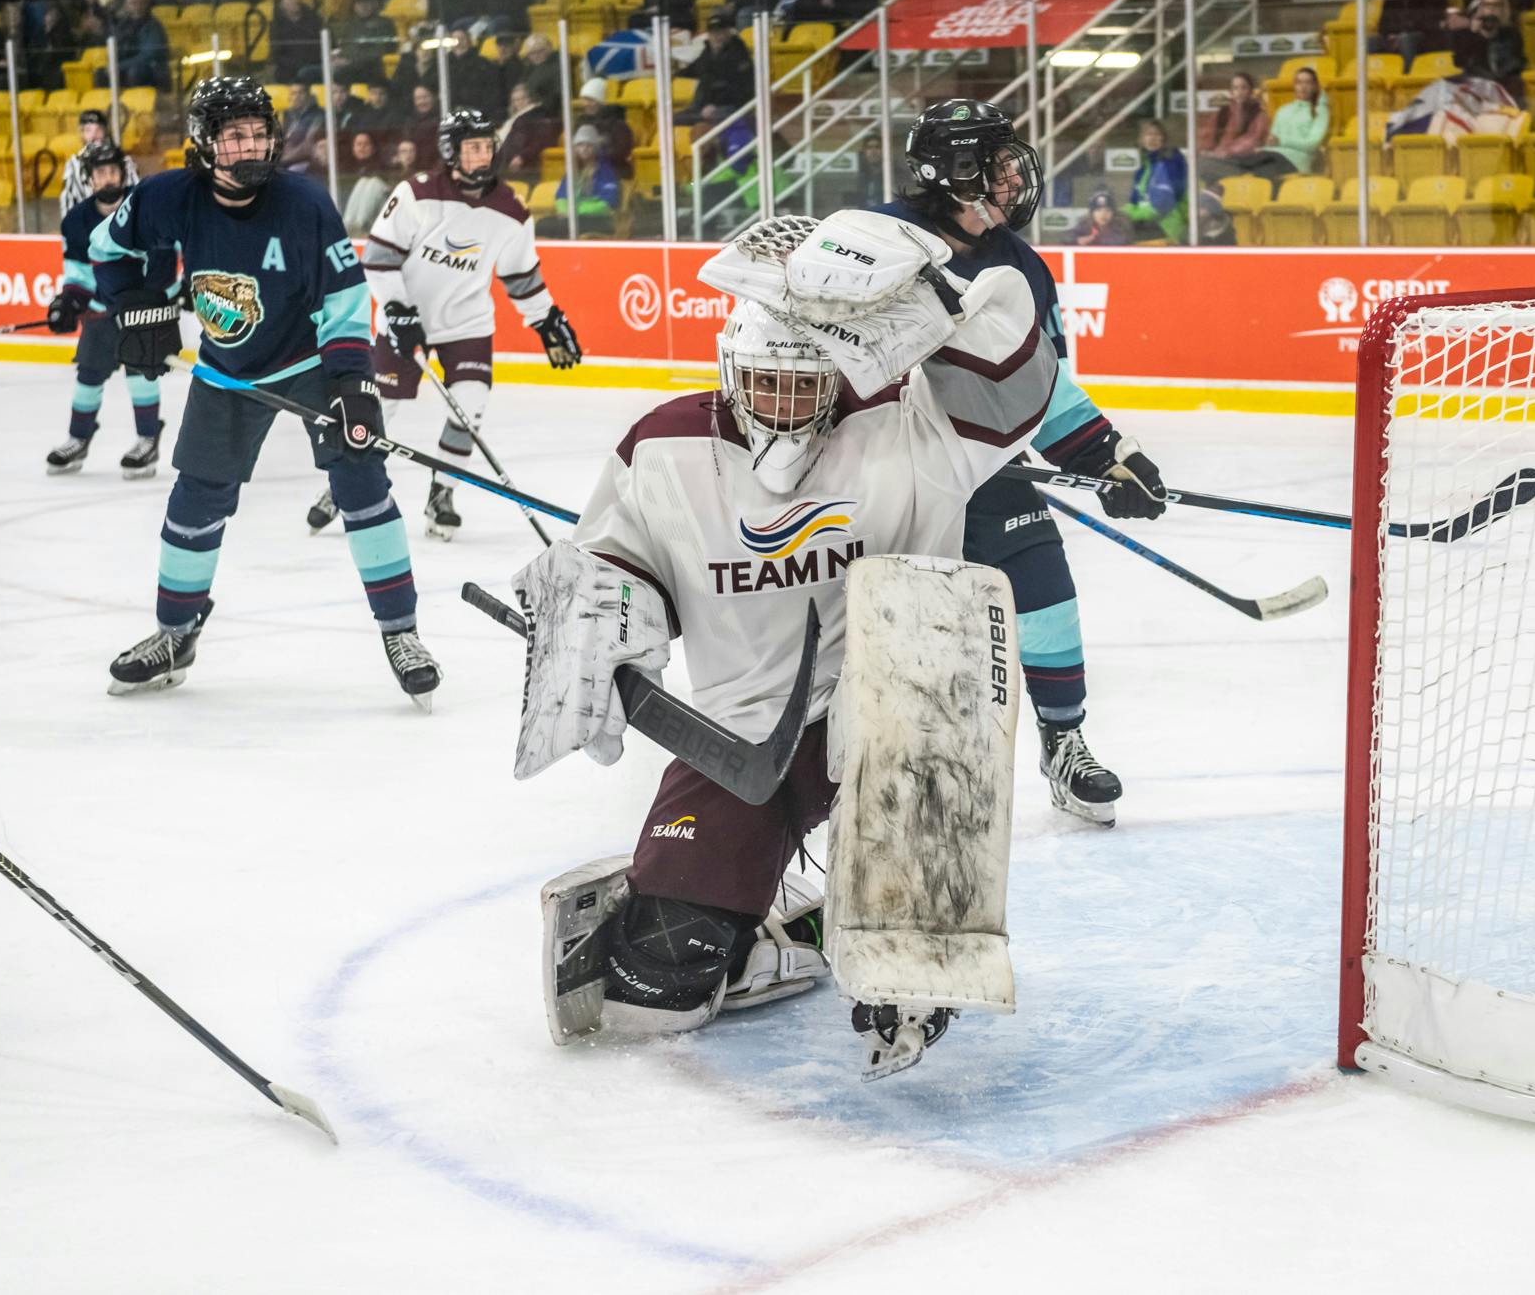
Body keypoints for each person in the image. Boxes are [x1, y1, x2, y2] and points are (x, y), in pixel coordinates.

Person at [520, 207, 1057, 1066]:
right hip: (740, 737)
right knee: (653, 986)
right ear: (729, 370)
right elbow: (619, 561)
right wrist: (595, 623)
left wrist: (939, 294)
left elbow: (1020, 373)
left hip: (897, 736)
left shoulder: (913, 427)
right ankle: (783, 920)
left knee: (908, 971)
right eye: (766, 383)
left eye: (805, 387)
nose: (785, 404)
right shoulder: (663, 449)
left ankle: (886, 932)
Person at [92, 75, 441, 706]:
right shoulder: (169, 196)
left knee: (361, 481)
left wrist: (354, 383)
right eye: (234, 137)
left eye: (259, 134)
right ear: (204, 144)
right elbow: (107, 247)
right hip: (225, 372)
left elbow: (342, 297)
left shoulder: (304, 203)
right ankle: (175, 634)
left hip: (310, 364)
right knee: (195, 502)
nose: (250, 147)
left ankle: (401, 632)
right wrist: (135, 305)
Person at [879, 100, 1171, 824]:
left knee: (1043, 578)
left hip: (987, 467)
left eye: (1012, 160)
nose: (1014, 176)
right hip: (892, 467)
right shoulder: (880, 242)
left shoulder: (1023, 268)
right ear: (949, 174)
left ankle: (1063, 739)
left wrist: (1109, 457)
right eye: (995, 162)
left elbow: (1039, 385)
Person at [313, 109, 579, 539]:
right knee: (379, 409)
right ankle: (342, 485)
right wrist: (398, 310)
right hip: (405, 322)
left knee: (469, 406)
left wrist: (546, 321)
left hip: (466, 324)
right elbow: (379, 260)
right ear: (450, 151)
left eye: (487, 147)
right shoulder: (417, 194)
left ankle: (443, 493)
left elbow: (521, 276)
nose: (483, 155)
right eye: (472, 148)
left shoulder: (511, 209)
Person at [43, 142, 169, 480]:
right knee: (88, 375)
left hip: (141, 312)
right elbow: (78, 273)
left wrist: (154, 297)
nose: (108, 178)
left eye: (113, 170)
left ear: (122, 173)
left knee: (140, 374)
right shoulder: (76, 221)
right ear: (90, 179)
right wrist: (69, 302)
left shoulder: (144, 209)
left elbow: (164, 259)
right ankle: (78, 438)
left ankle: (147, 438)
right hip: (101, 313)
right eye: (100, 173)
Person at [539, 123, 622, 236]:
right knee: (542, 224)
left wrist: (576, 211)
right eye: (580, 145)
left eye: (589, 145)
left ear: (595, 148)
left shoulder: (605, 171)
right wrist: (566, 211)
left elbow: (607, 204)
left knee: (564, 227)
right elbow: (561, 196)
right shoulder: (573, 171)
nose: (584, 149)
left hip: (598, 220)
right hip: (574, 216)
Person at [1448, 0, 1527, 104]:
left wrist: (1496, 80)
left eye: (1496, 4)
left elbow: (1516, 62)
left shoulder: (1512, 34)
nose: (1491, 8)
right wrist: (1475, 35)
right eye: (1486, 4)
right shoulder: (1468, 35)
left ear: (1503, 8)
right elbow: (1461, 61)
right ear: (1480, 8)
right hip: (1476, 90)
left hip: (1505, 89)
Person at [58, 107, 141, 214]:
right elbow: (68, 201)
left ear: (105, 131)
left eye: (98, 130)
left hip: (121, 223)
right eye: (88, 130)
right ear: (82, 134)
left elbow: (136, 195)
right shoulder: (74, 164)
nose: (94, 136)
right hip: (87, 225)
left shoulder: (125, 161)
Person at [1194, 72, 1269, 184]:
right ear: (1231, 92)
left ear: (1251, 91)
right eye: (1235, 88)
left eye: (1244, 87)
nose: (1239, 92)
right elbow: (1209, 135)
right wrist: (1205, 151)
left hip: (1243, 163)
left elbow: (1252, 140)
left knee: (1204, 166)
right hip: (1221, 160)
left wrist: (1224, 152)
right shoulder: (1223, 112)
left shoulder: (1258, 113)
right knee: (1198, 162)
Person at [1121, 117, 1186, 243]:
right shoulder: (1143, 167)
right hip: (1146, 224)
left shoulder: (1170, 161)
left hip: (1166, 226)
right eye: (1148, 134)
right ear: (1141, 139)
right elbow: (1133, 201)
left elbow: (1162, 205)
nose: (1152, 139)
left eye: (1157, 134)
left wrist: (1131, 215)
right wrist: (1120, 214)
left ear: (1164, 138)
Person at [102, 0, 168, 90]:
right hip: (125, 68)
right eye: (133, 3)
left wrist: (120, 66)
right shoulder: (122, 26)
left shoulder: (153, 26)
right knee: (101, 73)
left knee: (135, 71)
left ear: (147, 4)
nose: (137, 6)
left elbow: (149, 56)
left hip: (150, 71)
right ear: (127, 5)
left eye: (140, 2)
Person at [339, 130, 389, 234]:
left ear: (373, 148)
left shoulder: (382, 167)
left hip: (375, 220)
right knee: (362, 182)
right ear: (353, 148)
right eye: (359, 144)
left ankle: (359, 226)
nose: (362, 148)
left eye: (366, 144)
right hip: (347, 217)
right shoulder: (344, 168)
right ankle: (350, 227)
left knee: (373, 182)